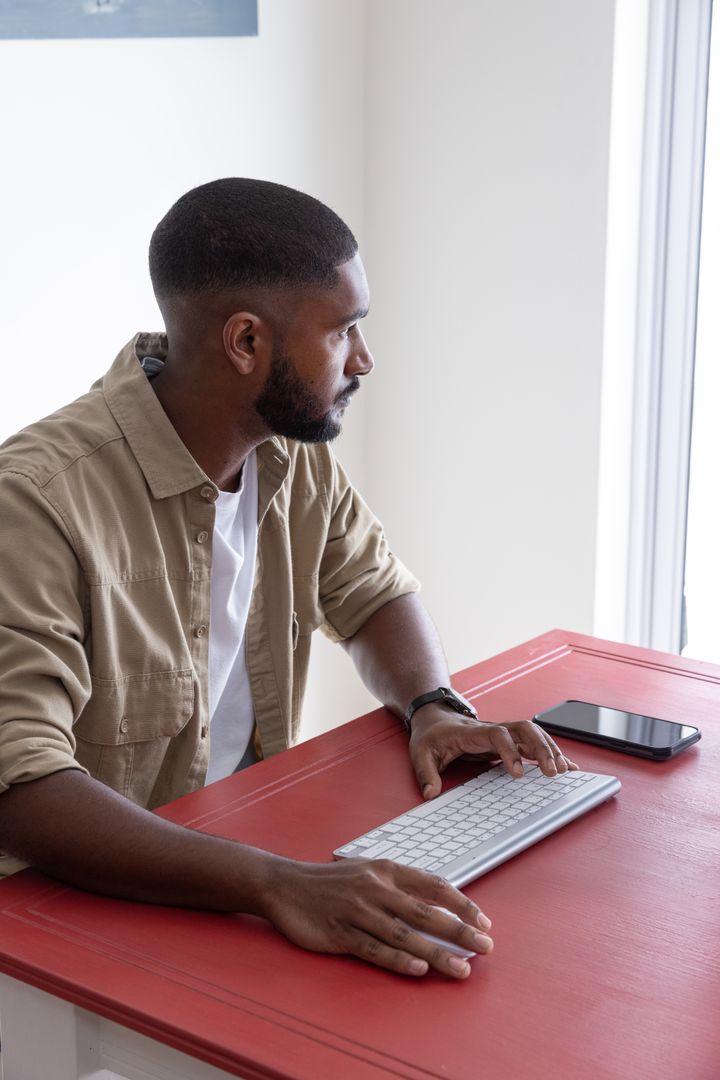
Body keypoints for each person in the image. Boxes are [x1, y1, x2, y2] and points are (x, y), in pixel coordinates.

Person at [0, 178, 575, 980]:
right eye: (344, 331)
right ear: (246, 344)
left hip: (236, 854)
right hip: (75, 916)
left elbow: (373, 593)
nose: (365, 359)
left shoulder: (289, 456)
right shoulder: (36, 500)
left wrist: (431, 707)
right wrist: (276, 884)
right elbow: (23, 788)